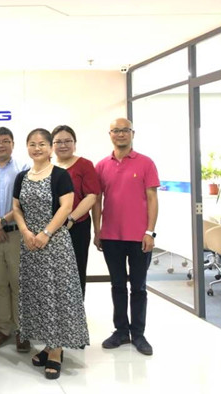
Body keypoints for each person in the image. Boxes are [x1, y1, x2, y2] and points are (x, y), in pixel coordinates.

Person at [12, 128, 89, 380]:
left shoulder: (60, 175)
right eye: (32, 144)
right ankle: (47, 344)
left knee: (56, 295)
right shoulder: (22, 177)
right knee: (38, 296)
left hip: (54, 244)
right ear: (27, 147)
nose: (37, 148)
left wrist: (45, 233)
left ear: (50, 148)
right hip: (30, 244)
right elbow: (16, 207)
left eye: (42, 144)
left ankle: (56, 352)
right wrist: (25, 231)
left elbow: (66, 207)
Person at [93, 118, 159, 356]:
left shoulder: (146, 163)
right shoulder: (102, 165)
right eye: (116, 130)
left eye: (125, 130)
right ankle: (121, 331)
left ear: (133, 133)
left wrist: (150, 231)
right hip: (111, 236)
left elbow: (152, 198)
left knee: (138, 287)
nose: (120, 134)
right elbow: (96, 200)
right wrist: (97, 231)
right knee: (118, 285)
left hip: (140, 237)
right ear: (110, 134)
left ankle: (138, 334)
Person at [0, 127, 29, 352]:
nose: (0, 145)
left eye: (5, 141)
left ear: (13, 144)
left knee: (18, 283)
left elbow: (25, 201)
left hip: (16, 233)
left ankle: (22, 330)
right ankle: (2, 329)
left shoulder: (24, 168)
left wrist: (2, 221)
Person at [52, 125, 100, 297]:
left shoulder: (85, 165)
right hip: (50, 229)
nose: (63, 145)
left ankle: (76, 312)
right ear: (51, 144)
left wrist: (71, 218)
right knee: (52, 274)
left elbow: (91, 196)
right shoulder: (47, 165)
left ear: (75, 143)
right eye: (58, 142)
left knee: (76, 272)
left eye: (68, 141)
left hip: (77, 226)